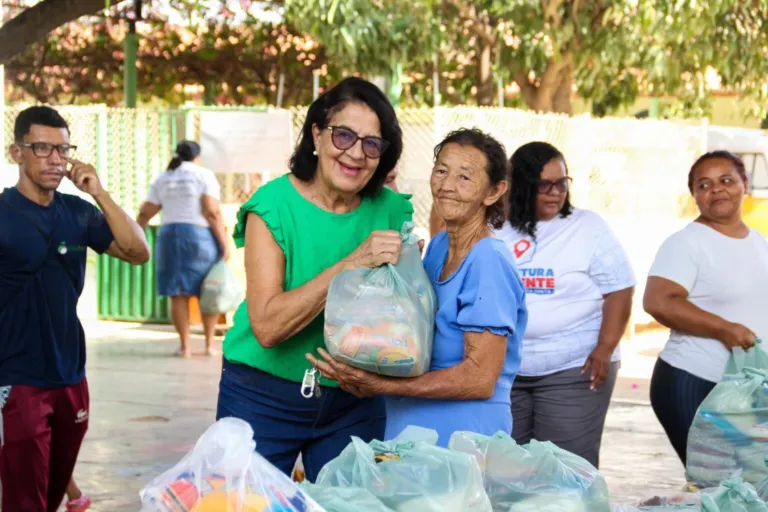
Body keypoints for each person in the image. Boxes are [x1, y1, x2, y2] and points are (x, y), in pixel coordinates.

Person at [215, 77, 413, 481]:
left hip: (355, 399)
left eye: (372, 144)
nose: (356, 154)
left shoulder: (393, 210)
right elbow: (268, 327)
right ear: (317, 135)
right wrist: (352, 263)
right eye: (344, 136)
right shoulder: (272, 206)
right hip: (261, 394)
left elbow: (404, 318)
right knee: (245, 506)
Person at [309, 128, 528, 447]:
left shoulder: (488, 261)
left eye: (464, 177)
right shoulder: (439, 247)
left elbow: (479, 379)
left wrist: (380, 385)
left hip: (463, 444)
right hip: (413, 440)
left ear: (493, 192)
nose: (447, 186)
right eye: (441, 170)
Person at [0, 106, 149, 511]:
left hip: (70, 373)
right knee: (23, 499)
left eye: (63, 150)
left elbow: (139, 252)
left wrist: (98, 192)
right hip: (16, 375)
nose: (55, 159)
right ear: (17, 152)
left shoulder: (79, 213)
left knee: (50, 494)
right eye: (42, 148)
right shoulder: (3, 213)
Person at [491, 141, 635, 468]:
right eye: (546, 185)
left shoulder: (587, 227)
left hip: (574, 367)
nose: (556, 192)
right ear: (522, 185)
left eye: (563, 183)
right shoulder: (495, 227)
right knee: (509, 470)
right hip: (506, 369)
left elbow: (620, 288)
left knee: (565, 470)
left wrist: (605, 346)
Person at [644, 151, 768, 466]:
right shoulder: (687, 243)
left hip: (746, 385)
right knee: (717, 481)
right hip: (693, 380)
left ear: (745, 185)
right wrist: (724, 329)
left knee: (752, 483)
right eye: (704, 185)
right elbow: (659, 301)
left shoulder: (759, 242)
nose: (716, 190)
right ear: (695, 197)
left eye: (726, 180)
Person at [137, 140, 229, 358]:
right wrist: (224, 242)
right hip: (199, 236)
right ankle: (208, 345)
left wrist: (135, 234)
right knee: (209, 289)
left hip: (169, 237)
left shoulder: (163, 177)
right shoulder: (203, 175)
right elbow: (211, 211)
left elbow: (146, 211)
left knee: (177, 293)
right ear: (197, 157)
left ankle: (185, 347)